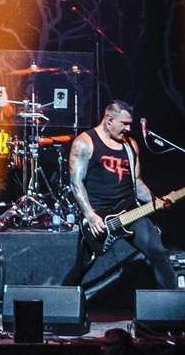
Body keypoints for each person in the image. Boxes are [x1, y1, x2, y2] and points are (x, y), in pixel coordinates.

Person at [64, 100, 178, 293]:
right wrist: (90, 216)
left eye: (130, 124)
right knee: (81, 266)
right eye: (124, 123)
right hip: (99, 217)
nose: (128, 128)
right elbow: (76, 183)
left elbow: (137, 183)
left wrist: (155, 200)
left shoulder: (130, 145)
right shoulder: (85, 142)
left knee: (158, 254)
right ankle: (59, 302)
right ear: (109, 119)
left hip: (131, 212)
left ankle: (174, 308)